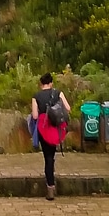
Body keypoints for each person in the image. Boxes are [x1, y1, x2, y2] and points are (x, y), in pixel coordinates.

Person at [30, 72, 71, 200]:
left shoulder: (36, 96)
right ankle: (51, 184)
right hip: (56, 128)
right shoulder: (58, 92)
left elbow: (35, 116)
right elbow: (68, 108)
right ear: (51, 83)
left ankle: (50, 188)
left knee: (47, 157)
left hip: (43, 128)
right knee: (51, 156)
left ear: (41, 84)